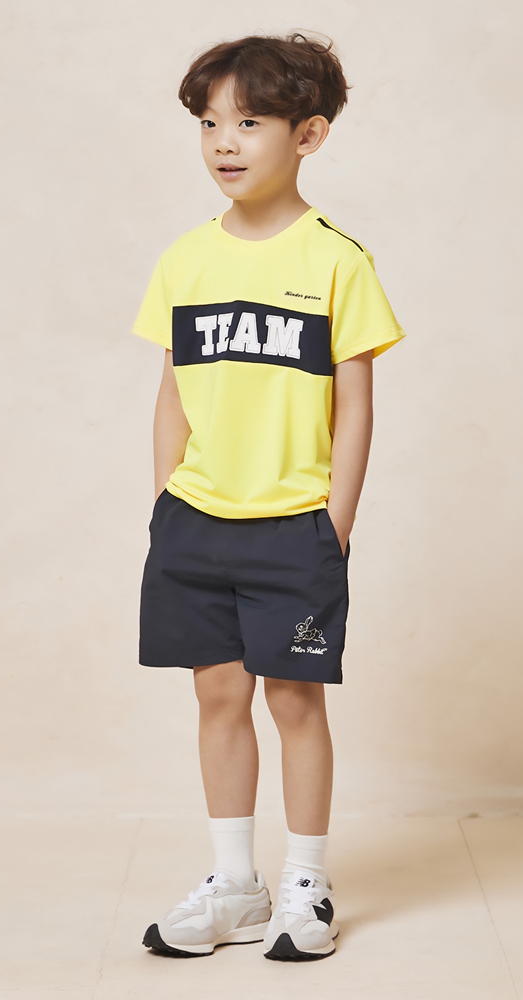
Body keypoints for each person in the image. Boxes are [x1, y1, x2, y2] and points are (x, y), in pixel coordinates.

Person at [132, 33, 404, 962]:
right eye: (211, 123)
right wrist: (166, 502)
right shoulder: (184, 260)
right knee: (217, 694)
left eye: (249, 122)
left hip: (294, 525)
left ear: (309, 135)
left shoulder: (337, 262)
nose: (225, 142)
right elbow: (172, 389)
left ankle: (305, 885)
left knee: (293, 697)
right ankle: (234, 885)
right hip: (196, 521)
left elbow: (356, 404)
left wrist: (335, 523)